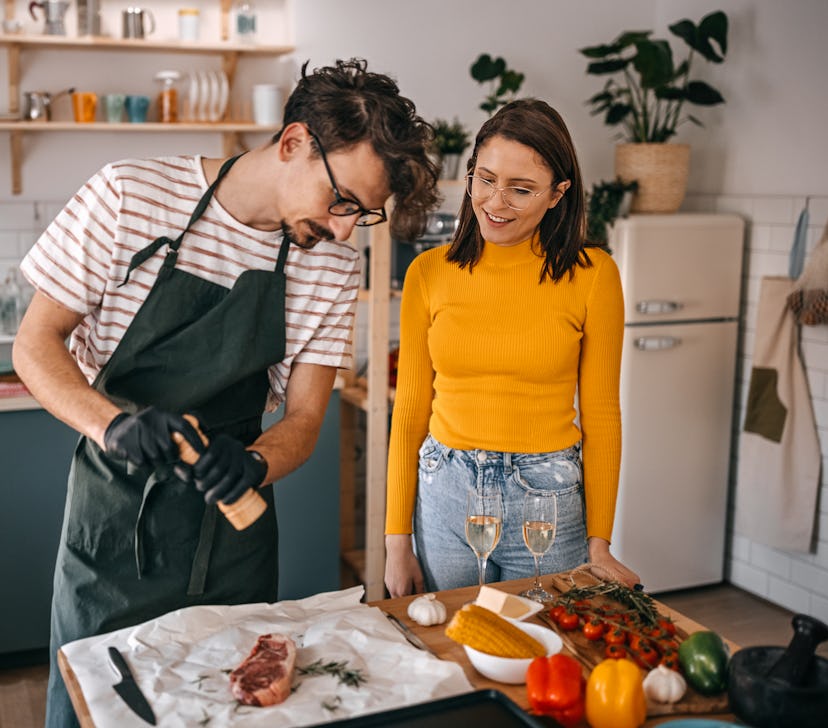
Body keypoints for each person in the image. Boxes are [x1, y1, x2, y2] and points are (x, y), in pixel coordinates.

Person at [13, 58, 439, 728]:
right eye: (343, 201)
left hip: (232, 534)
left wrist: (258, 461)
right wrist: (113, 426)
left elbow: (304, 417)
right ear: (294, 142)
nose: (345, 228)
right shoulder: (130, 194)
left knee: (231, 711)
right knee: (100, 707)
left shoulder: (327, 259)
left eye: (365, 214)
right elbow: (35, 344)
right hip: (116, 525)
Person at [384, 98, 640, 598]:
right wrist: (397, 543)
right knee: (451, 650)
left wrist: (600, 542)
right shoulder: (427, 273)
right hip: (444, 494)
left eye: (521, 190)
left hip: (547, 499)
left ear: (557, 194)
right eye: (485, 179)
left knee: (545, 652)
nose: (495, 203)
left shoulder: (594, 276)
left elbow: (603, 414)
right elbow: (410, 409)